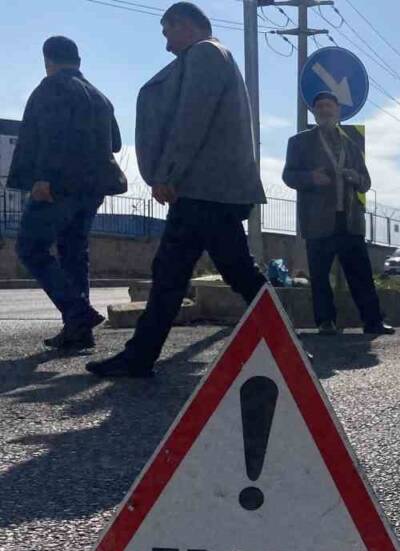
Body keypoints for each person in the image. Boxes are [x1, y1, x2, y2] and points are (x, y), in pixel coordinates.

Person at [88, 2, 267, 378]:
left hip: (207, 190)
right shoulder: (216, 56)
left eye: (168, 32)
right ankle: (139, 356)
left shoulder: (205, 54)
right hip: (212, 190)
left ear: (184, 25)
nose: (167, 43)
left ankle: (140, 356)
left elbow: (191, 120)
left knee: (220, 273)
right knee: (182, 272)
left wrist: (168, 172)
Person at [8, 36, 127, 351]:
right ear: (78, 60)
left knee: (30, 248)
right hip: (93, 188)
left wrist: (43, 177)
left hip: (59, 185)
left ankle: (78, 313)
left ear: (47, 59)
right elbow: (114, 143)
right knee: (74, 252)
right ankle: (77, 330)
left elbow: (52, 133)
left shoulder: (52, 87)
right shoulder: (100, 97)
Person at [282, 91, 392, 336]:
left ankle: (373, 322)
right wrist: (311, 177)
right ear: (314, 112)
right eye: (319, 106)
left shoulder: (350, 144)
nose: (324, 110)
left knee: (361, 274)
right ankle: (325, 322)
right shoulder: (299, 142)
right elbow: (288, 176)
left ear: (337, 111)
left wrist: (356, 177)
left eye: (329, 106)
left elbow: (366, 182)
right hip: (318, 221)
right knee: (320, 277)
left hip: (350, 221)